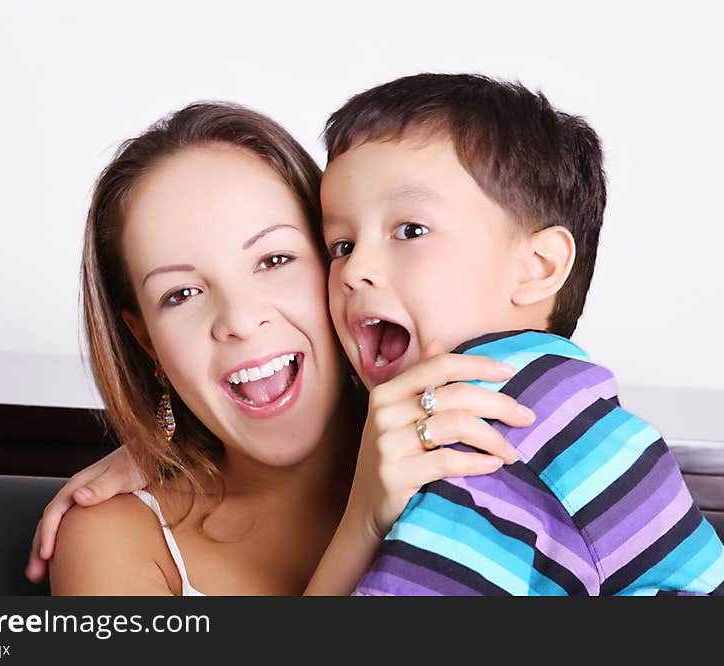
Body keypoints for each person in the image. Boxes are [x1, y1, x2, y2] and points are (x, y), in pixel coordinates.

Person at [42, 101, 529, 595]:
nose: (239, 319)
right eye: (180, 295)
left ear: (343, 261)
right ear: (147, 339)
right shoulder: (113, 541)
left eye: (274, 259)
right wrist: (361, 527)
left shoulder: (494, 459)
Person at [318, 72, 724, 595]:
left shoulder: (487, 435)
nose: (354, 268)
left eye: (410, 230)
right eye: (340, 244)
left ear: (538, 267)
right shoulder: (569, 402)